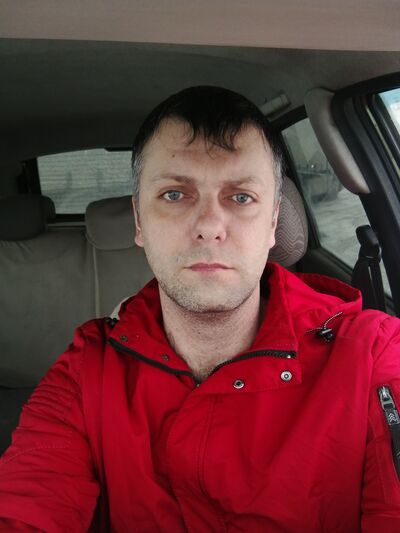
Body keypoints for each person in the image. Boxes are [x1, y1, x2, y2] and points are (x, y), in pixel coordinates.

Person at [0, 86, 400, 532]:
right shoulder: (86, 370)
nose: (210, 226)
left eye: (241, 197)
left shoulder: (372, 354)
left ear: (273, 223)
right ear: (139, 221)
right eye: (175, 194)